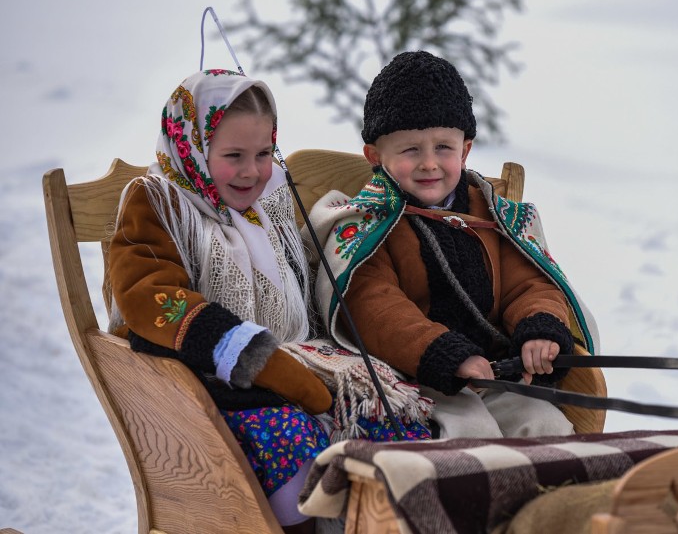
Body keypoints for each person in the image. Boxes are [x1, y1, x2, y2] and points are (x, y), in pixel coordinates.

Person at [305, 51, 599, 439]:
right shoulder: (370, 223)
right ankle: (477, 496)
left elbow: (528, 283)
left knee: (544, 425)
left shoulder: (493, 214)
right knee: (471, 433)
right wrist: (444, 353)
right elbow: (372, 303)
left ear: (465, 149)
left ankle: (548, 497)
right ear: (376, 157)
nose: (429, 163)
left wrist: (538, 328)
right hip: (415, 376)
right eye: (411, 150)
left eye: (443, 147)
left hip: (494, 372)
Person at [108, 69, 333, 533]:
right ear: (191, 145)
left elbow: (305, 284)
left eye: (265, 153)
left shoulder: (268, 207)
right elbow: (148, 295)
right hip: (196, 392)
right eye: (233, 155)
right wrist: (255, 355)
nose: (252, 171)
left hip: (275, 376)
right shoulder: (159, 201)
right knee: (289, 438)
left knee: (389, 423)